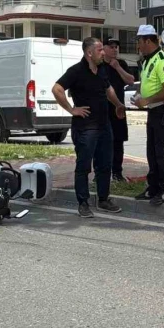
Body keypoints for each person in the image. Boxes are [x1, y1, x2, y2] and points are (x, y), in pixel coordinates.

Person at [53, 37, 126, 218]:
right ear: (89, 53)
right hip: (86, 128)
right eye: (100, 50)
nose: (103, 52)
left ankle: (103, 199)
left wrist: (118, 105)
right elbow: (57, 89)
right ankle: (83, 203)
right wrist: (72, 109)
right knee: (84, 166)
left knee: (105, 165)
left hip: (104, 125)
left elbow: (108, 89)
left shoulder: (101, 69)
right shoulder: (76, 71)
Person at [133, 25, 164, 206]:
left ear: (148, 41)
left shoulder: (162, 60)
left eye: (139, 42)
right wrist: (141, 98)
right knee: (151, 151)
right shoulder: (146, 60)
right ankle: (153, 187)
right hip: (153, 110)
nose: (138, 46)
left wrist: (147, 99)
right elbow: (147, 84)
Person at [103, 36, 135, 182]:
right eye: (111, 46)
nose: (114, 49)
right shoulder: (99, 64)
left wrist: (117, 67)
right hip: (104, 109)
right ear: (103, 48)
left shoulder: (121, 63)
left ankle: (117, 172)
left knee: (118, 141)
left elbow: (130, 80)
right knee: (103, 142)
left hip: (119, 109)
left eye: (116, 47)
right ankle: (102, 173)